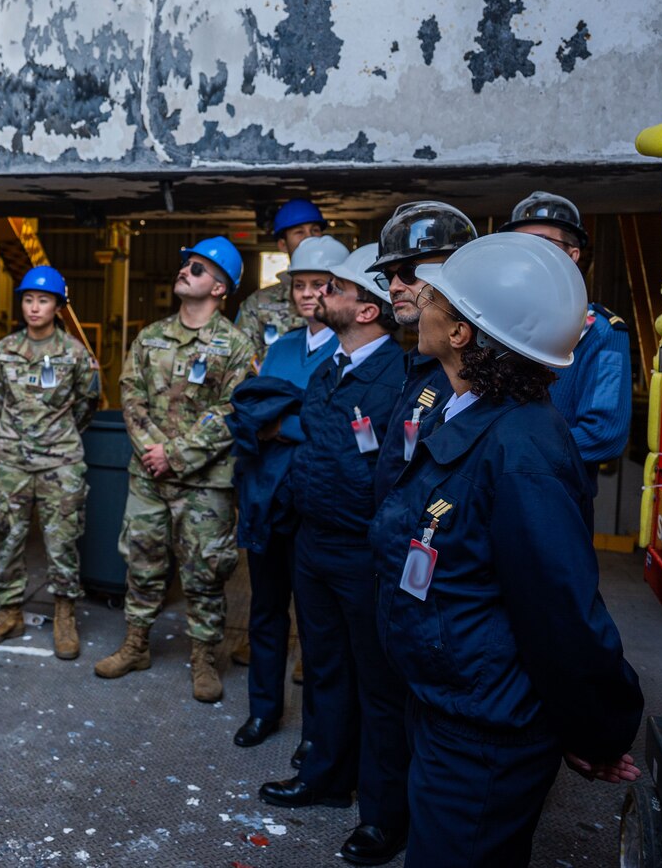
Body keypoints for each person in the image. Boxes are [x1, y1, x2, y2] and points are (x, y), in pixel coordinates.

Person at [371, 232, 644, 867]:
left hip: (484, 732)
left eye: (435, 296)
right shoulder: (468, 409)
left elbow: (561, 612)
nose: (418, 300)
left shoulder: (521, 452)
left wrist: (594, 729)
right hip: (450, 701)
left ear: (462, 334)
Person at [260, 243, 409, 866]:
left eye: (338, 289)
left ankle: (381, 817)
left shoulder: (398, 377)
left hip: (361, 549)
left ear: (368, 309)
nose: (322, 294)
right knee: (325, 669)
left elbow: (391, 470)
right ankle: (324, 778)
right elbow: (318, 450)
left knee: (378, 686)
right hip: (314, 541)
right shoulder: (328, 372)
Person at [95, 237, 255, 702]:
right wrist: (153, 452)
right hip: (149, 476)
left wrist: (176, 454)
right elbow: (130, 395)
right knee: (142, 563)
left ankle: (204, 657)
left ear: (220, 289)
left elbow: (232, 411)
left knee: (205, 572)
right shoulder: (150, 337)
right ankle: (136, 644)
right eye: (187, 264)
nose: (186, 270)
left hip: (205, 484)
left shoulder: (236, 346)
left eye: (199, 269)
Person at [231, 234, 347, 754]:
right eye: (299, 285)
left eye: (317, 284)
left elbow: (337, 429)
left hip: (318, 502)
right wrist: (281, 421)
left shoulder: (351, 354)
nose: (306, 294)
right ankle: (263, 711)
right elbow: (253, 415)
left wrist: (285, 424)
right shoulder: (278, 349)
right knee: (266, 610)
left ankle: (318, 735)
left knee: (320, 626)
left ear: (340, 289)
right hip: (268, 497)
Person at [0, 266, 100, 660]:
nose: (34, 307)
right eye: (28, 299)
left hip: (60, 460)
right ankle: (9, 611)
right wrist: (20, 437)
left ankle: (64, 614)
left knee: (62, 541)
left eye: (43, 300)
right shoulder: (4, 350)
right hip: (11, 458)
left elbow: (87, 404)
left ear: (58, 306)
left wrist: (53, 436)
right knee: (8, 537)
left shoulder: (77, 354)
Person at [498, 191, 631, 490]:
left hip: (555, 494)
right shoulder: (497, 320)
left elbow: (604, 435)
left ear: (573, 254)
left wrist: (512, 449)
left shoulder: (601, 332)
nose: (529, 254)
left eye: (543, 243)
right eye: (520, 245)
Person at [367, 201, 477, 504]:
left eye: (408, 272)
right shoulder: (419, 360)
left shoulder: (477, 367)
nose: (393, 287)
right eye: (388, 276)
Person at [235, 198, 326, 362]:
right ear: (283, 245)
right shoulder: (258, 303)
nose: (310, 238)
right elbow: (241, 360)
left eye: (315, 230)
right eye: (300, 232)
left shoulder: (341, 294)